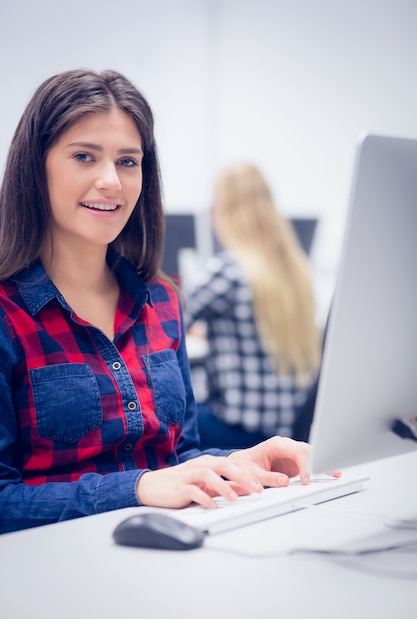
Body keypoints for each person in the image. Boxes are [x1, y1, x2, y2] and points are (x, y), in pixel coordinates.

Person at [0, 69, 336, 535]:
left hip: (167, 555)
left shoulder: (162, 301)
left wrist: (239, 462)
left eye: (128, 161)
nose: (110, 181)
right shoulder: (7, 311)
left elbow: (177, 458)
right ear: (36, 166)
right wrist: (138, 488)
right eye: (84, 156)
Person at [185, 163, 321, 448]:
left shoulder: (228, 270)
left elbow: (163, 325)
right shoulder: (296, 268)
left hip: (239, 432)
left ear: (224, 211)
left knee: (169, 429)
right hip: (291, 430)